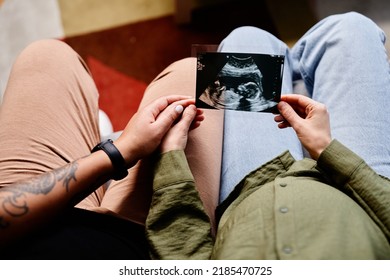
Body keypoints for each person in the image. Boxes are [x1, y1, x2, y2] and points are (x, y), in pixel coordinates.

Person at [144, 12, 390, 259]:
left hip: (255, 186)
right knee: (350, 28)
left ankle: (293, 73)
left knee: (247, 37)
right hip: (361, 194)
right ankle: (297, 74)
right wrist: (328, 149)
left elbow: (182, 254)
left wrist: (171, 155)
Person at [0, 39, 204, 259]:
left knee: (45, 54)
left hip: (25, 232)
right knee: (194, 74)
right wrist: (171, 161)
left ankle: (100, 134)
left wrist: (120, 151)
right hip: (146, 246)